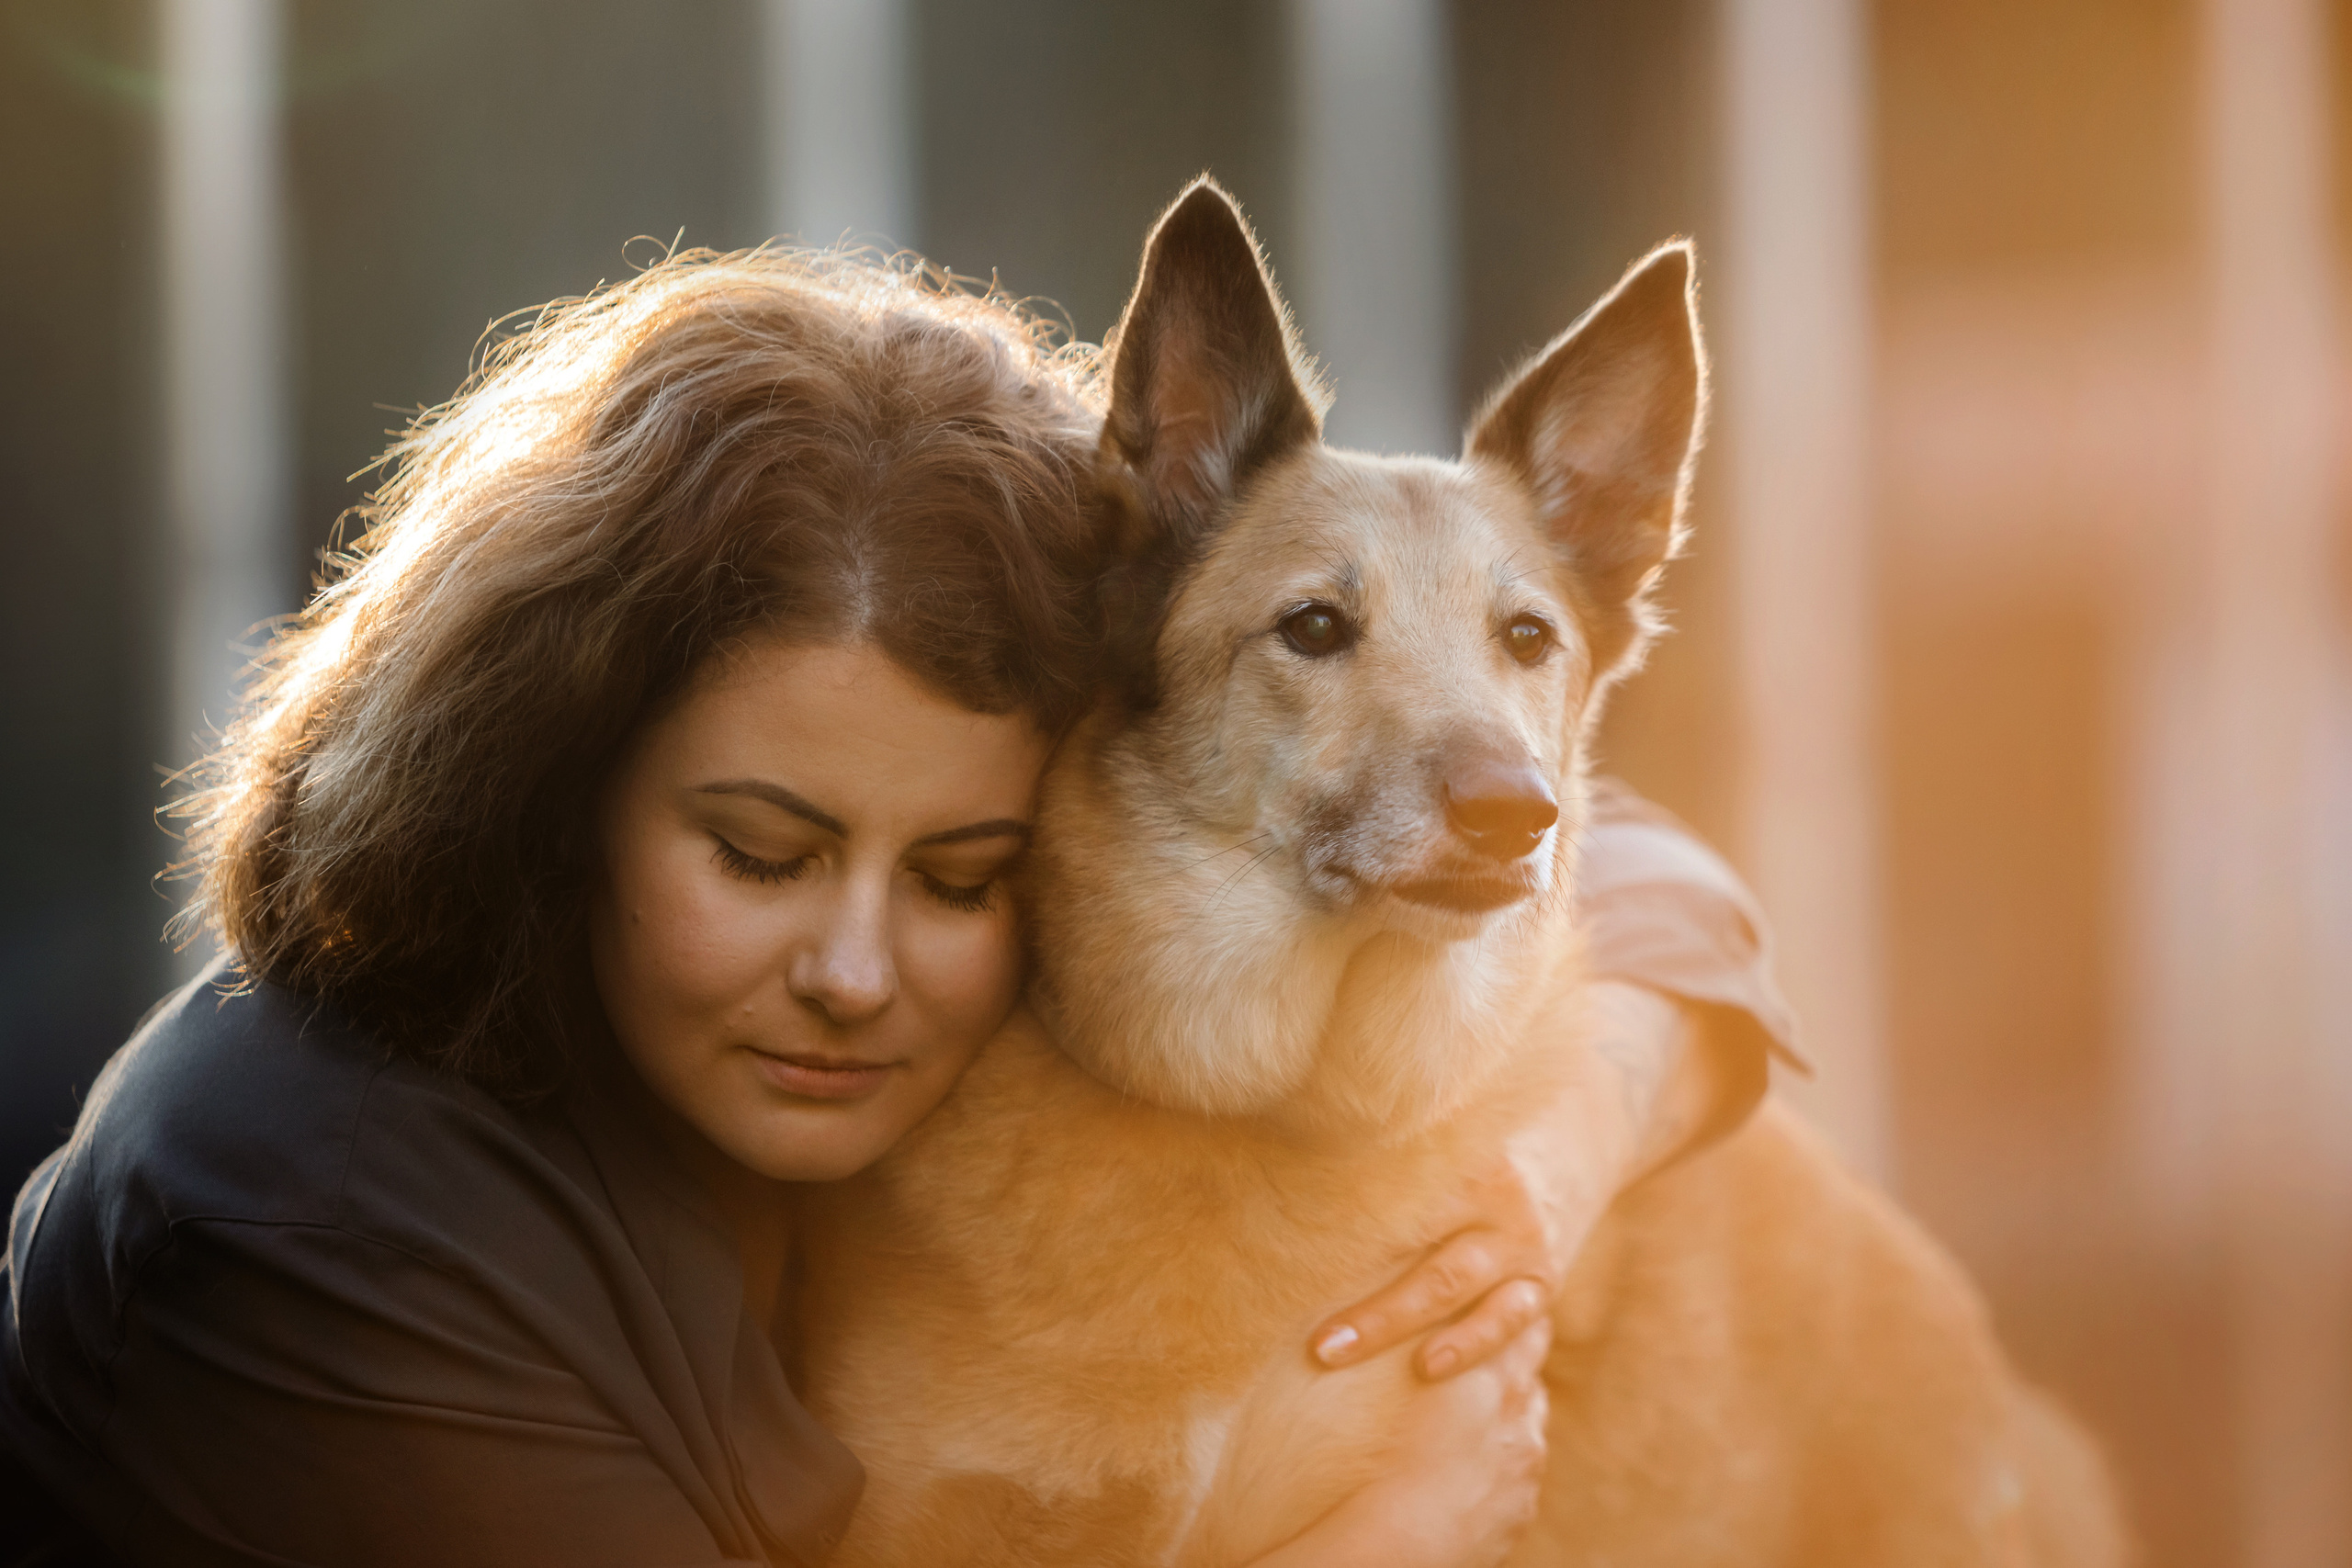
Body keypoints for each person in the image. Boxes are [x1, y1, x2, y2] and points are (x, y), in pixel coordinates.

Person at [0, 247, 1795, 1568]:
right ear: (547, 783)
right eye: (761, 854)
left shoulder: (802, 1020)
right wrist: (1383, 1538)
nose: (860, 972)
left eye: (962, 874)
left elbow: (1569, 837)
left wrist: (1567, 1141)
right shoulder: (315, 1229)